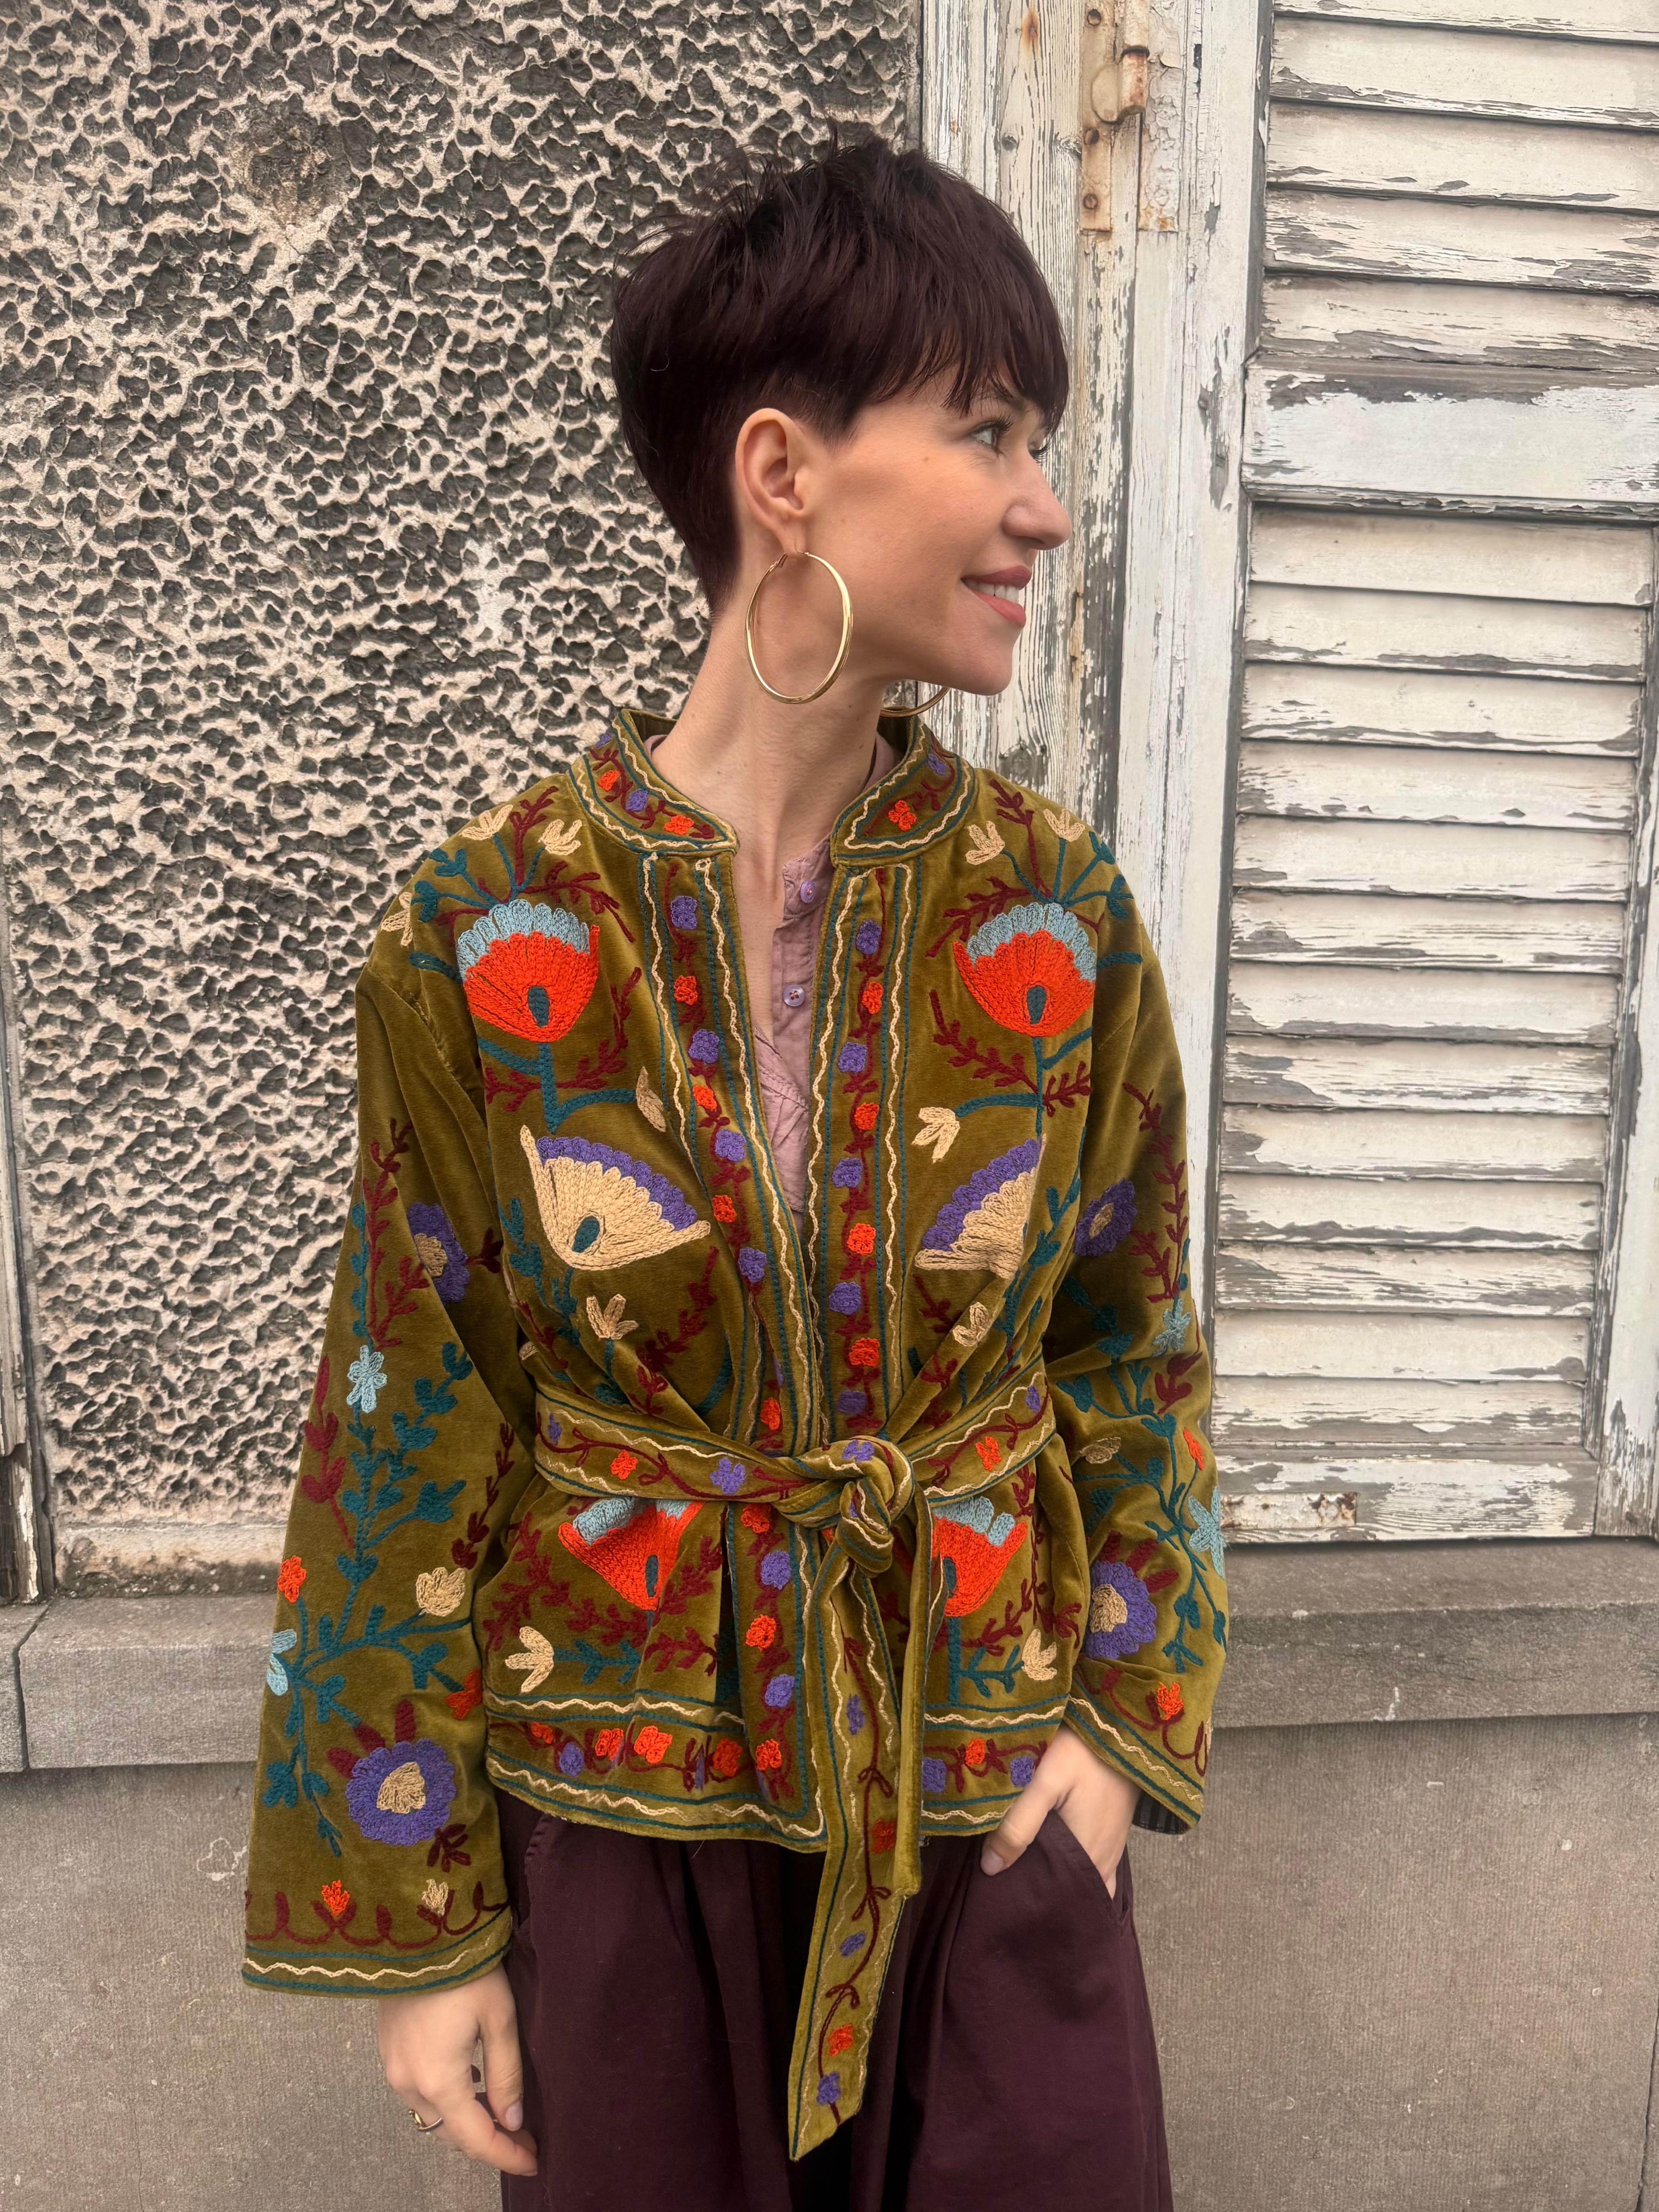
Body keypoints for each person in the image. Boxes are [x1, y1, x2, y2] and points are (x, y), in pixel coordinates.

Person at [242, 130, 1227, 2212]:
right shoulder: (485, 930)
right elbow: (405, 1415)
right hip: (625, 1836)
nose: (1044, 504)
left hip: (984, 1806)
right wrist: (422, 1921)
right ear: (785, 472)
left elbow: (1133, 1345)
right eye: (987, 430)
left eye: (1040, 442)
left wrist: (1116, 1732)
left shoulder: (1054, 917)